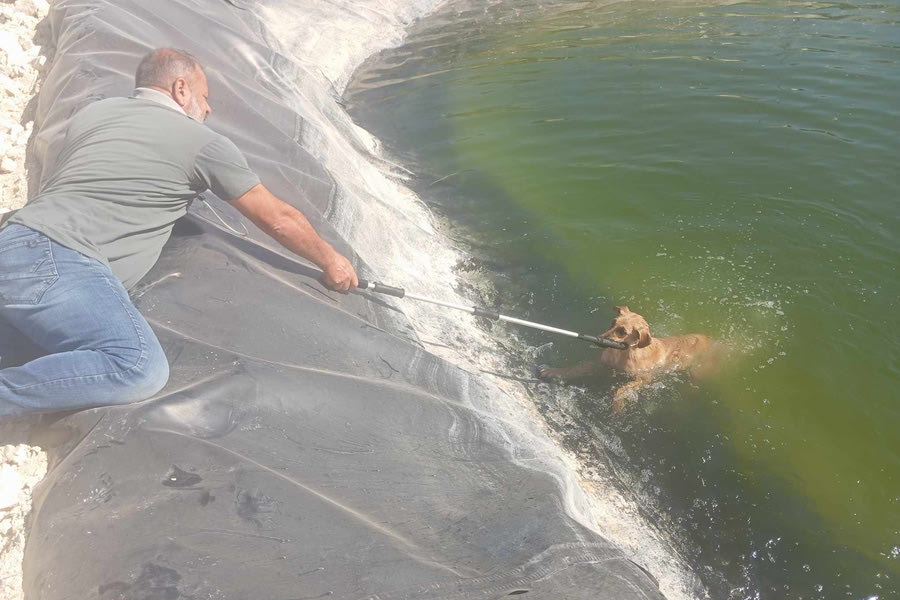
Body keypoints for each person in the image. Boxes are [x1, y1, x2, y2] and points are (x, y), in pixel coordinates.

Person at [0, 48, 358, 417]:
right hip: (64, 259)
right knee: (137, 366)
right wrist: (331, 259)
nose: (209, 109)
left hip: (13, 242)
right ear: (181, 88)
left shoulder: (93, 114)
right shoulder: (203, 144)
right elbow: (278, 217)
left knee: (26, 348)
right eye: (205, 97)